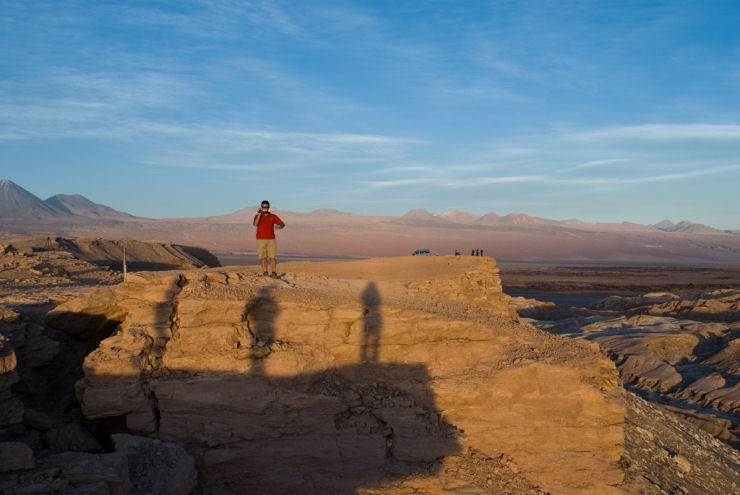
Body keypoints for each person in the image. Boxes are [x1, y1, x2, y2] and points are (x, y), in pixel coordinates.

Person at [253, 200, 285, 278]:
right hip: (260, 239)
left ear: (269, 207)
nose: (265, 208)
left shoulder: (273, 216)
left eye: (266, 207)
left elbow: (282, 224)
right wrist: (260, 214)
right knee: (263, 257)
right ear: (261, 207)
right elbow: (255, 224)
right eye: (263, 207)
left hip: (271, 239)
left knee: (272, 257)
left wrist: (279, 227)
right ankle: (265, 272)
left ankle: (274, 273)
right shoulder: (257, 216)